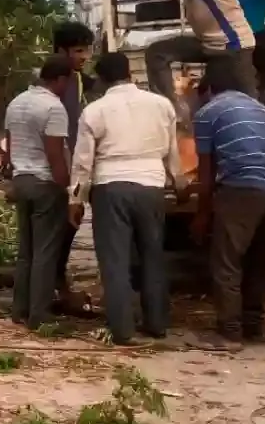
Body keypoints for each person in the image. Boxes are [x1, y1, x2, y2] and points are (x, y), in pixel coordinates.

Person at [69, 52, 188, 345]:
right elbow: (171, 150)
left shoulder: (95, 111)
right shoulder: (161, 105)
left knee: (115, 261)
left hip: (110, 188)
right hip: (151, 185)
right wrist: (180, 181)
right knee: (152, 256)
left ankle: (122, 329)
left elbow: (83, 161)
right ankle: (157, 323)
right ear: (130, 73)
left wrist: (76, 198)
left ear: (103, 79)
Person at [190, 65, 265, 344]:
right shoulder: (261, 109)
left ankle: (229, 331)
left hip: (243, 188)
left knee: (226, 262)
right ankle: (253, 325)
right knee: (257, 260)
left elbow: (206, 175)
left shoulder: (207, 113)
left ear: (208, 90)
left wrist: (201, 215)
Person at [103, 0, 258, 111]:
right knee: (157, 52)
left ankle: (260, 127)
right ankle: (170, 109)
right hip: (207, 44)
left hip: (233, 45)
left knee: (244, 102)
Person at [5, 55, 75, 330]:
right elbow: (55, 155)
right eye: (67, 81)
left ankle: (19, 309)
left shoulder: (16, 102)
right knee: (46, 252)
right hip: (45, 183)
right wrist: (68, 188)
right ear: (59, 79)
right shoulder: (54, 108)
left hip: (21, 179)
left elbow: (9, 147)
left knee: (26, 251)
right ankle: (39, 315)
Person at [51, 21, 97, 295]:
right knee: (60, 227)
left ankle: (56, 280)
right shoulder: (59, 79)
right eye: (78, 51)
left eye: (87, 51)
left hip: (72, 162)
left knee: (67, 227)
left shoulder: (77, 79)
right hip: (60, 165)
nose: (85, 57)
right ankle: (53, 283)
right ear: (61, 50)